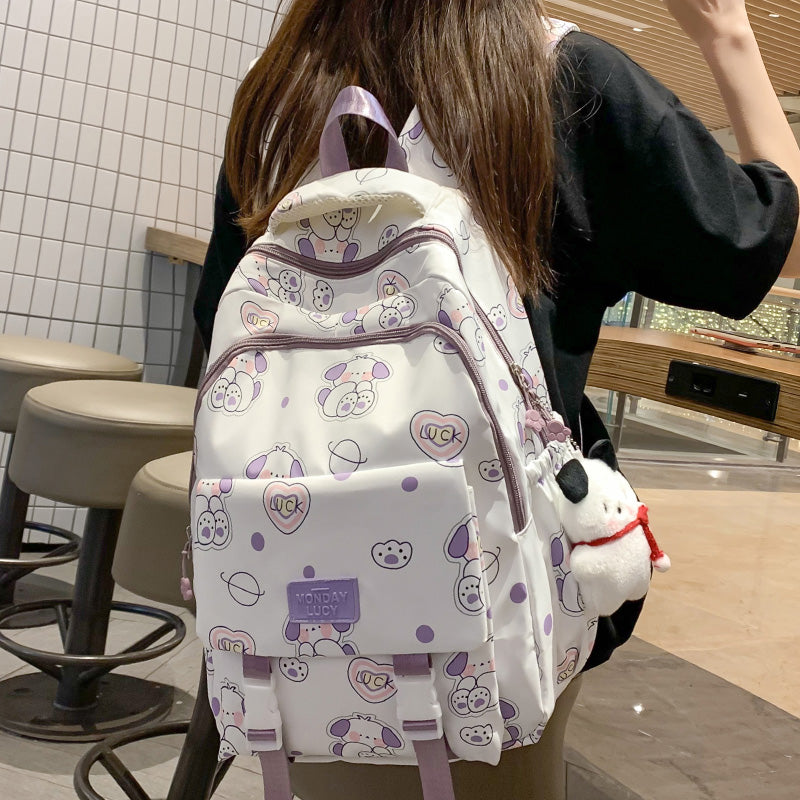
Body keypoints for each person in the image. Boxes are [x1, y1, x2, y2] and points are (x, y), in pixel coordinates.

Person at [192, 1, 799, 798]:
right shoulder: (564, 78)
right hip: (496, 594)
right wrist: (727, 34)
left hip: (282, 576)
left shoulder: (281, 91)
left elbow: (216, 324)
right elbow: (769, 242)